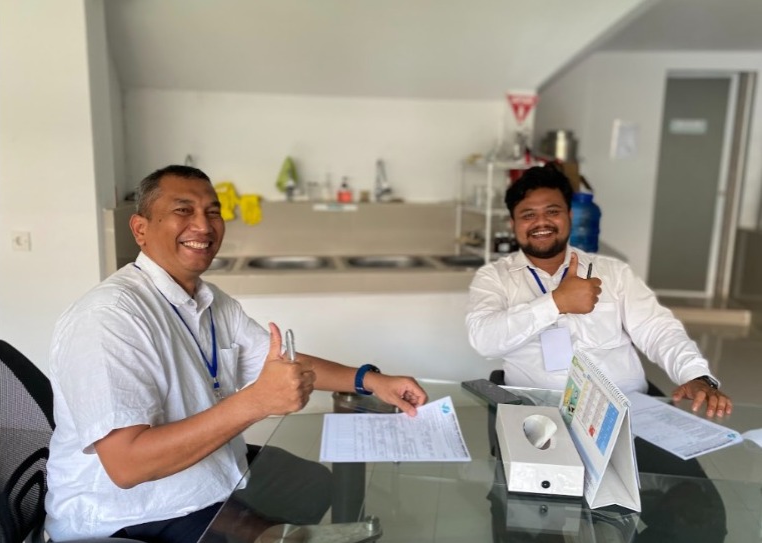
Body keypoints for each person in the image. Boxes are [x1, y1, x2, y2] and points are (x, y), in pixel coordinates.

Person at [45, 165, 428, 542]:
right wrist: (257, 402)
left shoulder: (209, 300)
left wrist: (370, 379)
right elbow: (128, 465)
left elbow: (280, 363)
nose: (203, 225)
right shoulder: (109, 317)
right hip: (134, 512)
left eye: (213, 212)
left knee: (315, 484)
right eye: (183, 210)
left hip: (207, 474)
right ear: (140, 229)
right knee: (277, 529)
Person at [466, 164, 732, 417]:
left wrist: (695, 375)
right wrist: (556, 303)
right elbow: (484, 340)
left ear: (570, 216)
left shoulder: (613, 272)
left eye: (552, 211)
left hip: (626, 412)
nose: (541, 222)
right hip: (541, 417)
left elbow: (658, 330)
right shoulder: (494, 278)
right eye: (528, 215)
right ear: (512, 224)